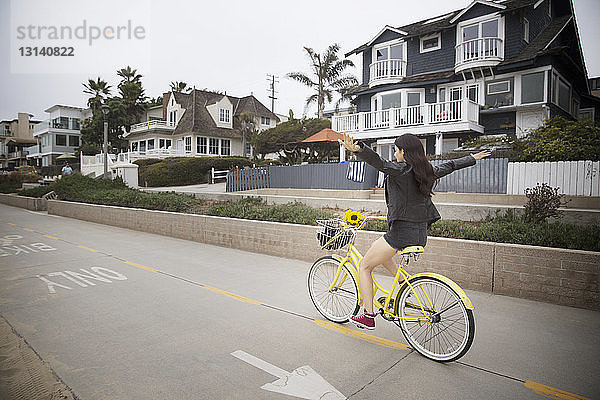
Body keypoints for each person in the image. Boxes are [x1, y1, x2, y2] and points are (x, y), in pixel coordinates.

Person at [338, 133, 490, 330]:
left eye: (396, 150)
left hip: (401, 233)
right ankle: (402, 283)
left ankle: (368, 315)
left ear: (404, 152)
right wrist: (471, 158)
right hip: (419, 233)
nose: (395, 154)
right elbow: (450, 166)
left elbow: (380, 163)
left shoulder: (402, 170)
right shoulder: (426, 171)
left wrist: (358, 149)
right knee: (382, 251)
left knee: (365, 267)